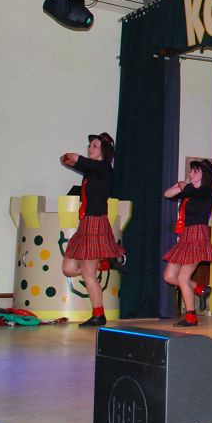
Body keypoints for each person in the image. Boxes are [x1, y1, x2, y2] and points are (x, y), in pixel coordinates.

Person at [61, 132, 123, 327]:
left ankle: (98, 315)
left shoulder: (104, 168)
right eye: (90, 146)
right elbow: (66, 159)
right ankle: (103, 264)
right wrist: (67, 159)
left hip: (96, 222)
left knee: (88, 274)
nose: (90, 149)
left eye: (95, 146)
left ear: (104, 151)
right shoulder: (91, 170)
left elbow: (73, 157)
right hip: (86, 223)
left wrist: (72, 158)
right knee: (68, 268)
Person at [162, 159, 212, 327]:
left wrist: (184, 185)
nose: (190, 173)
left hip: (197, 235)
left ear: (204, 175)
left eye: (195, 171)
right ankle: (201, 289)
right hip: (186, 236)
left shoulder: (207, 191)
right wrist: (183, 184)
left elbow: (190, 191)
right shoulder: (190, 191)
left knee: (183, 277)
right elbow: (167, 194)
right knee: (169, 276)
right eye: (190, 171)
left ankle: (191, 316)